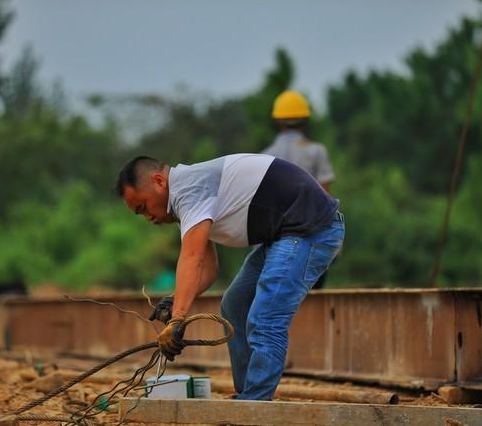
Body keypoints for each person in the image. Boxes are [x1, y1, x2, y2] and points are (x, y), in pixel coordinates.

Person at [115, 154, 344, 400]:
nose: (148, 217)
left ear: (159, 181)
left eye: (143, 207)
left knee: (265, 318)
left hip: (312, 230)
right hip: (283, 236)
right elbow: (208, 269)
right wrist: (174, 301)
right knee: (235, 304)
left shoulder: (189, 189)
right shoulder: (189, 194)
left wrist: (177, 319)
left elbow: (193, 259)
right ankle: (248, 394)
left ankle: (254, 403)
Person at [263, 90, 336, 288]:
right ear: (305, 120)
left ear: (277, 121)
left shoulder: (266, 155)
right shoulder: (316, 151)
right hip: (311, 235)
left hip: (277, 240)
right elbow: (324, 195)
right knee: (311, 292)